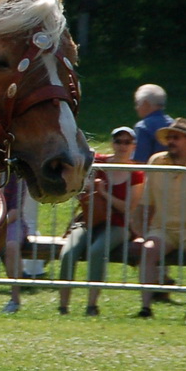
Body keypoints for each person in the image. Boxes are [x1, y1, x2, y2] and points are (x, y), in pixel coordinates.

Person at [134, 117, 186, 317]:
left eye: (176, 137)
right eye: (169, 137)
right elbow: (146, 202)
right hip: (163, 229)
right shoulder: (156, 161)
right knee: (148, 250)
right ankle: (146, 307)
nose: (171, 141)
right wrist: (137, 232)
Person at [57, 127, 141, 315]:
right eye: (118, 141)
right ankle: (63, 306)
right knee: (68, 253)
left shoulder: (136, 173)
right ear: (113, 143)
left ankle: (91, 305)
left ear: (134, 146)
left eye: (127, 142)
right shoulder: (99, 163)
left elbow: (129, 208)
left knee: (97, 251)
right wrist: (85, 186)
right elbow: (78, 181)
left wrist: (104, 193)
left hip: (119, 225)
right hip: (89, 220)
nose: (122, 146)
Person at [0, 174, 29, 313]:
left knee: (11, 246)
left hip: (12, 221)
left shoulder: (17, 178)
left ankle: (15, 300)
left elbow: (16, 211)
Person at [130, 84, 169, 163]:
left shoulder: (143, 127)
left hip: (152, 173)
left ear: (145, 103)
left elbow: (139, 160)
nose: (136, 108)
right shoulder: (174, 124)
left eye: (137, 103)